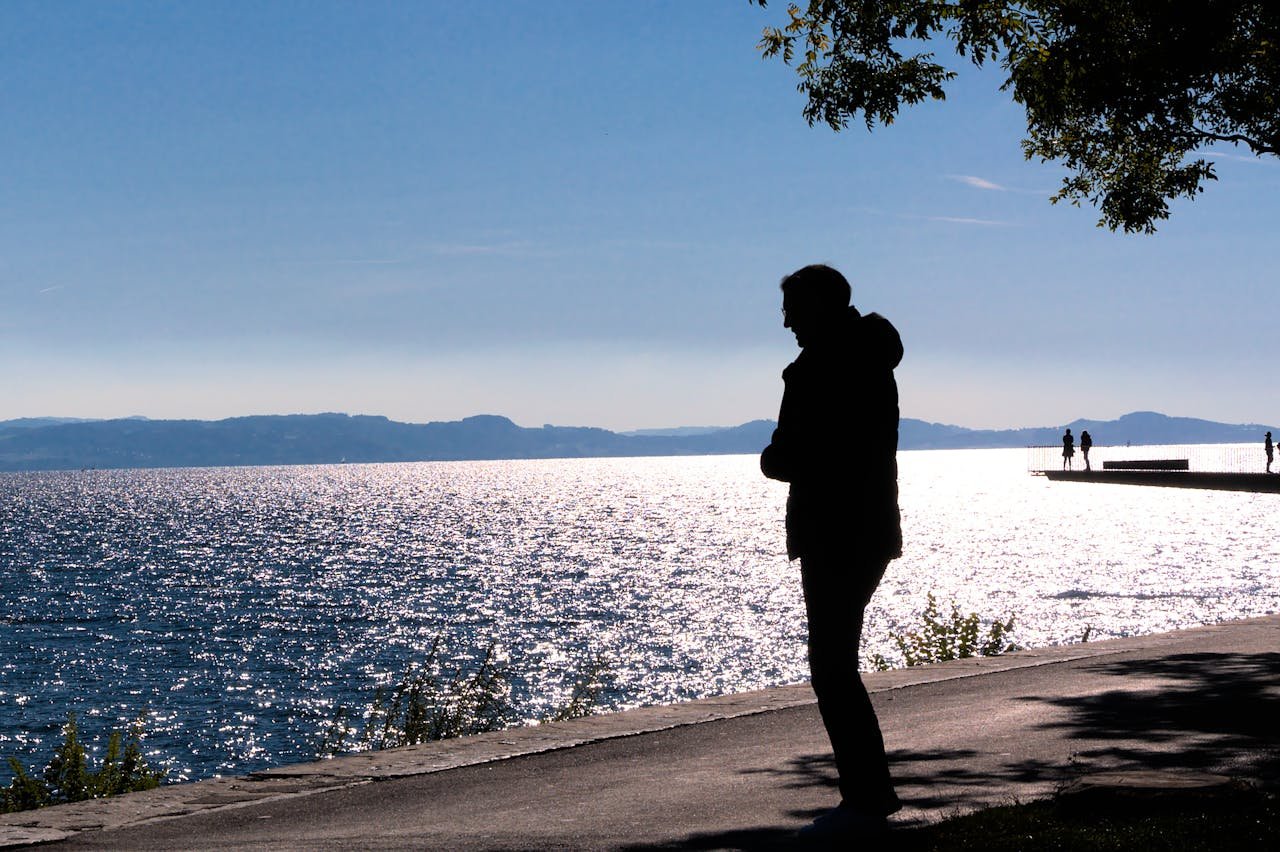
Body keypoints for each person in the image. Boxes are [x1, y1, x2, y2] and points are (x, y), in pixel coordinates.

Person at [760, 264, 903, 837]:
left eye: (792, 308)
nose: (786, 321)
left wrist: (774, 459)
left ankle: (867, 797)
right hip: (869, 527)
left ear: (818, 306)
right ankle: (868, 793)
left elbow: (791, 455)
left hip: (833, 530)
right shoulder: (871, 358)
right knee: (837, 662)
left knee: (833, 666)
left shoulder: (819, 369)